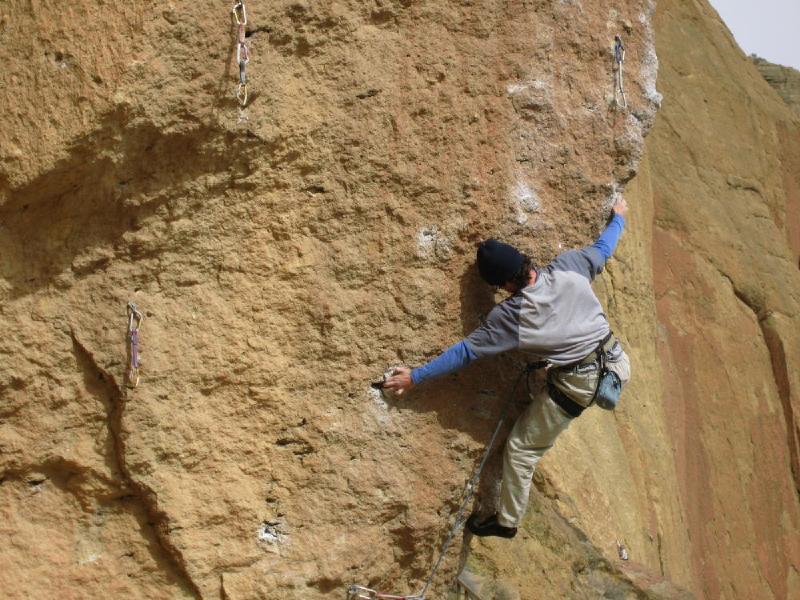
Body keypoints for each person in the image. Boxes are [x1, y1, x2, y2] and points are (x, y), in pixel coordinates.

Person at [383, 197, 631, 538]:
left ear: (504, 287)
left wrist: (416, 376)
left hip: (578, 385)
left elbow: (466, 352)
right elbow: (604, 248)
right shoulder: (569, 265)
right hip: (615, 362)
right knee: (556, 394)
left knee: (521, 450)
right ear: (524, 261)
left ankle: (507, 522)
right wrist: (618, 218)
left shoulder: (512, 316)